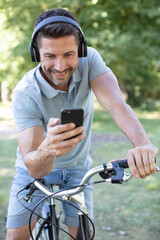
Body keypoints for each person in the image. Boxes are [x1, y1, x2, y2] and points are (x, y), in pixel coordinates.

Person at [6, 8, 158, 240]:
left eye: (69, 54)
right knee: (16, 237)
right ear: (36, 54)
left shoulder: (90, 60)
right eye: (50, 56)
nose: (60, 66)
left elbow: (117, 104)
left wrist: (143, 144)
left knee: (84, 236)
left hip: (78, 168)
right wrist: (48, 148)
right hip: (33, 171)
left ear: (81, 50)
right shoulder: (25, 93)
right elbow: (35, 168)